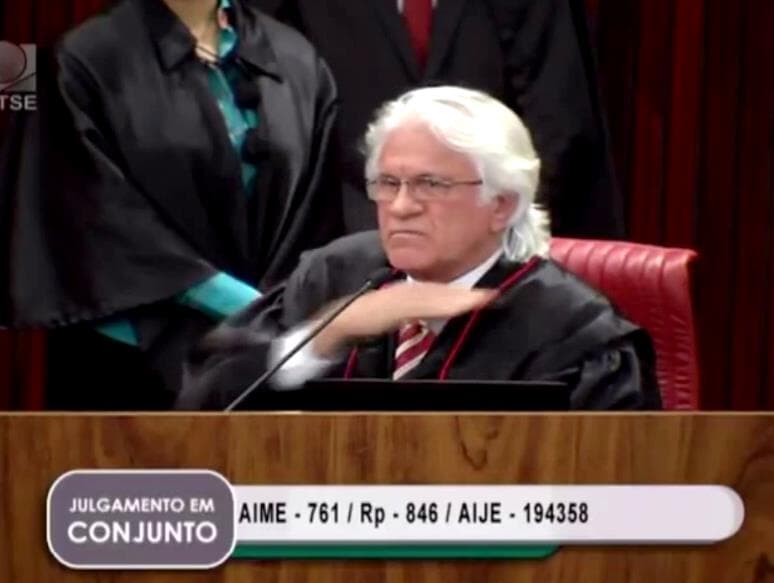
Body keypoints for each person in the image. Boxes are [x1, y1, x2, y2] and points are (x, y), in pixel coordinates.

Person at [179, 86, 660, 411]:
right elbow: (201, 405)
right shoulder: (332, 276)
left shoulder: (574, 332)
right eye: (388, 183)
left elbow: (607, 495)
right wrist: (325, 337)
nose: (402, 206)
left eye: (431, 184)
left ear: (502, 204)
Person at [0, 0, 343, 408]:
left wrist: (286, 314)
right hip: (132, 363)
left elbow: (314, 214)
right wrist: (247, 306)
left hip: (275, 357)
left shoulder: (296, 58)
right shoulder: (78, 58)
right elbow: (85, 216)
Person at [252, 0, 624, 239]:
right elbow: (281, 116)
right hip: (347, 239)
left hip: (496, 238)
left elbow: (558, 118)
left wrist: (493, 228)